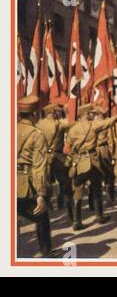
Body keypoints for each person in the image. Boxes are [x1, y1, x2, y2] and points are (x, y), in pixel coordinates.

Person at [64, 104, 117, 231]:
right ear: (86, 114)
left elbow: (67, 148)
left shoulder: (72, 129)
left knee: (77, 191)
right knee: (96, 188)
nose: (91, 114)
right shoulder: (93, 125)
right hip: (93, 161)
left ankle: (76, 221)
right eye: (90, 113)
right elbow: (107, 123)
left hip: (79, 162)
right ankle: (99, 216)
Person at [17, 95, 53, 257]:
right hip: (24, 183)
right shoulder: (36, 134)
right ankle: (45, 252)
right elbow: (39, 167)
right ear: (34, 114)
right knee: (41, 216)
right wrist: (41, 194)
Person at [36, 103, 73, 221]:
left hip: (44, 157)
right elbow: (72, 122)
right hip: (58, 157)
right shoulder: (59, 123)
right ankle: (66, 208)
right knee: (64, 182)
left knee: (47, 181)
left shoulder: (38, 124)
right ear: (53, 112)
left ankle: (49, 205)